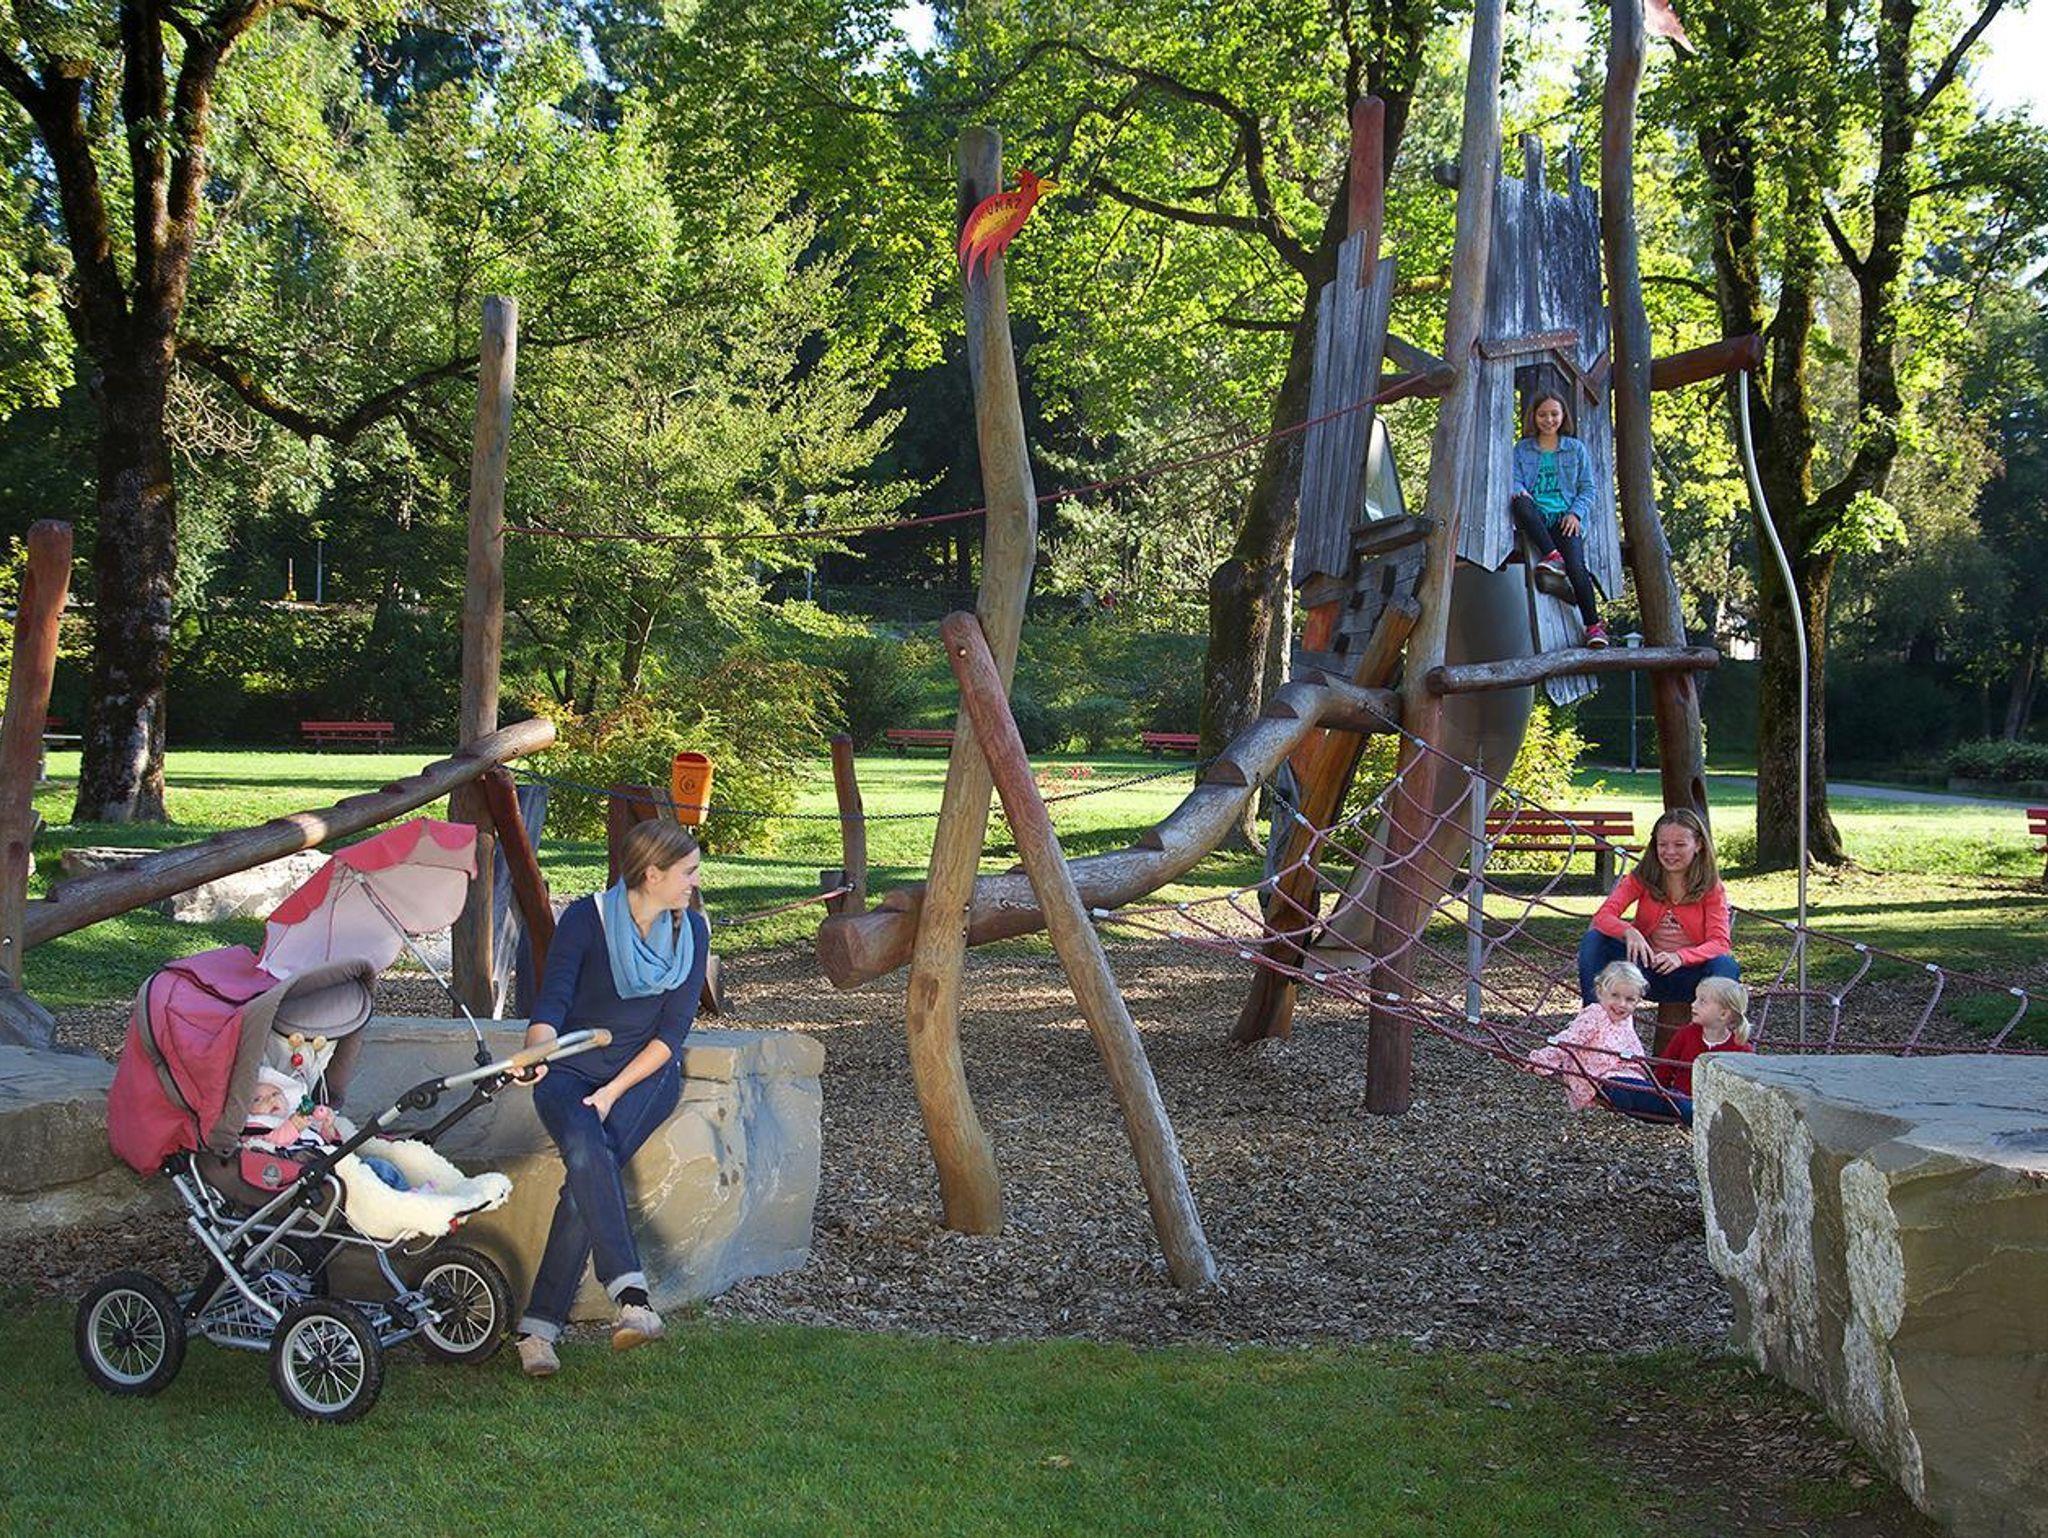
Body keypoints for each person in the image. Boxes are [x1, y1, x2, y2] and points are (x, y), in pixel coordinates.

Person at [512, 820, 711, 1378]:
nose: (695, 881)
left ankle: (539, 1331)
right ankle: (630, 1299)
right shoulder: (586, 919)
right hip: (569, 1071)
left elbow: (671, 1034)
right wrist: (536, 1054)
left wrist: (611, 1093)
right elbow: (551, 1003)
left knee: (588, 1165)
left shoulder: (693, 931)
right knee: (588, 1157)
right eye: (688, 872)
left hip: (645, 1076)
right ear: (652, 874)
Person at [1577, 807, 1739, 1007]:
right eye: (1663, 844)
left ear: (1698, 845)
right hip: (1644, 972)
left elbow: (1719, 943)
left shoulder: (1711, 887)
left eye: (1679, 844)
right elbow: (1602, 916)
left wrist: (1681, 957)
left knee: (1725, 965)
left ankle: (1715, 1025)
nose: (1670, 852)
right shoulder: (1641, 878)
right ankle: (1592, 1016)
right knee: (1595, 939)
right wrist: (1628, 931)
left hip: (1692, 976)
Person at [1510, 392, 1607, 647]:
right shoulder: (1522, 449)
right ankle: (1553, 556)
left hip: (1566, 519)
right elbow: (1514, 478)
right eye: (1542, 414)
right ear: (1534, 417)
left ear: (1563, 416)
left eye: (1554, 414)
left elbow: (1588, 488)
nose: (1548, 420)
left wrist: (1575, 513)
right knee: (1520, 503)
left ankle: (1594, 627)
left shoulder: (1575, 449)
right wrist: (1519, 489)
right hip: (1537, 518)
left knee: (1576, 567)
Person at [1598, 975, 1754, 1127]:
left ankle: (1699, 1118)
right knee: (1625, 1088)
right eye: (1695, 999)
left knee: (1691, 1107)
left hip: (1712, 1107)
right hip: (1678, 1100)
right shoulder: (1687, 1034)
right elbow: (1665, 1069)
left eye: (1702, 1001)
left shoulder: (1740, 1049)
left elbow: (1743, 1091)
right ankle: (1625, 1096)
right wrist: (1657, 1093)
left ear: (1724, 1014)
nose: (1694, 1005)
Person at [1526, 960, 1649, 1110]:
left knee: (1653, 1094)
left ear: (1637, 1001)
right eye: (1615, 995)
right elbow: (1569, 1040)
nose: (1622, 1004)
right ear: (1600, 993)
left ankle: (1672, 1103)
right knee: (1647, 1098)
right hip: (1599, 1080)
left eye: (1629, 999)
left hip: (1623, 1074)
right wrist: (1542, 1059)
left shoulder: (1626, 1019)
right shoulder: (1595, 1014)